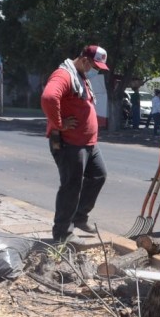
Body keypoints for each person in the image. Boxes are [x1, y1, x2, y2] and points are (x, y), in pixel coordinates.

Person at [41, 45, 109, 243]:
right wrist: (59, 124)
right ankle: (63, 232)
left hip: (88, 143)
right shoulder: (64, 74)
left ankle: (80, 217)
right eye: (94, 65)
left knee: (99, 175)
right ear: (85, 59)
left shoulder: (80, 75)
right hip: (70, 143)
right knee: (71, 186)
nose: (94, 70)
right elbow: (49, 97)